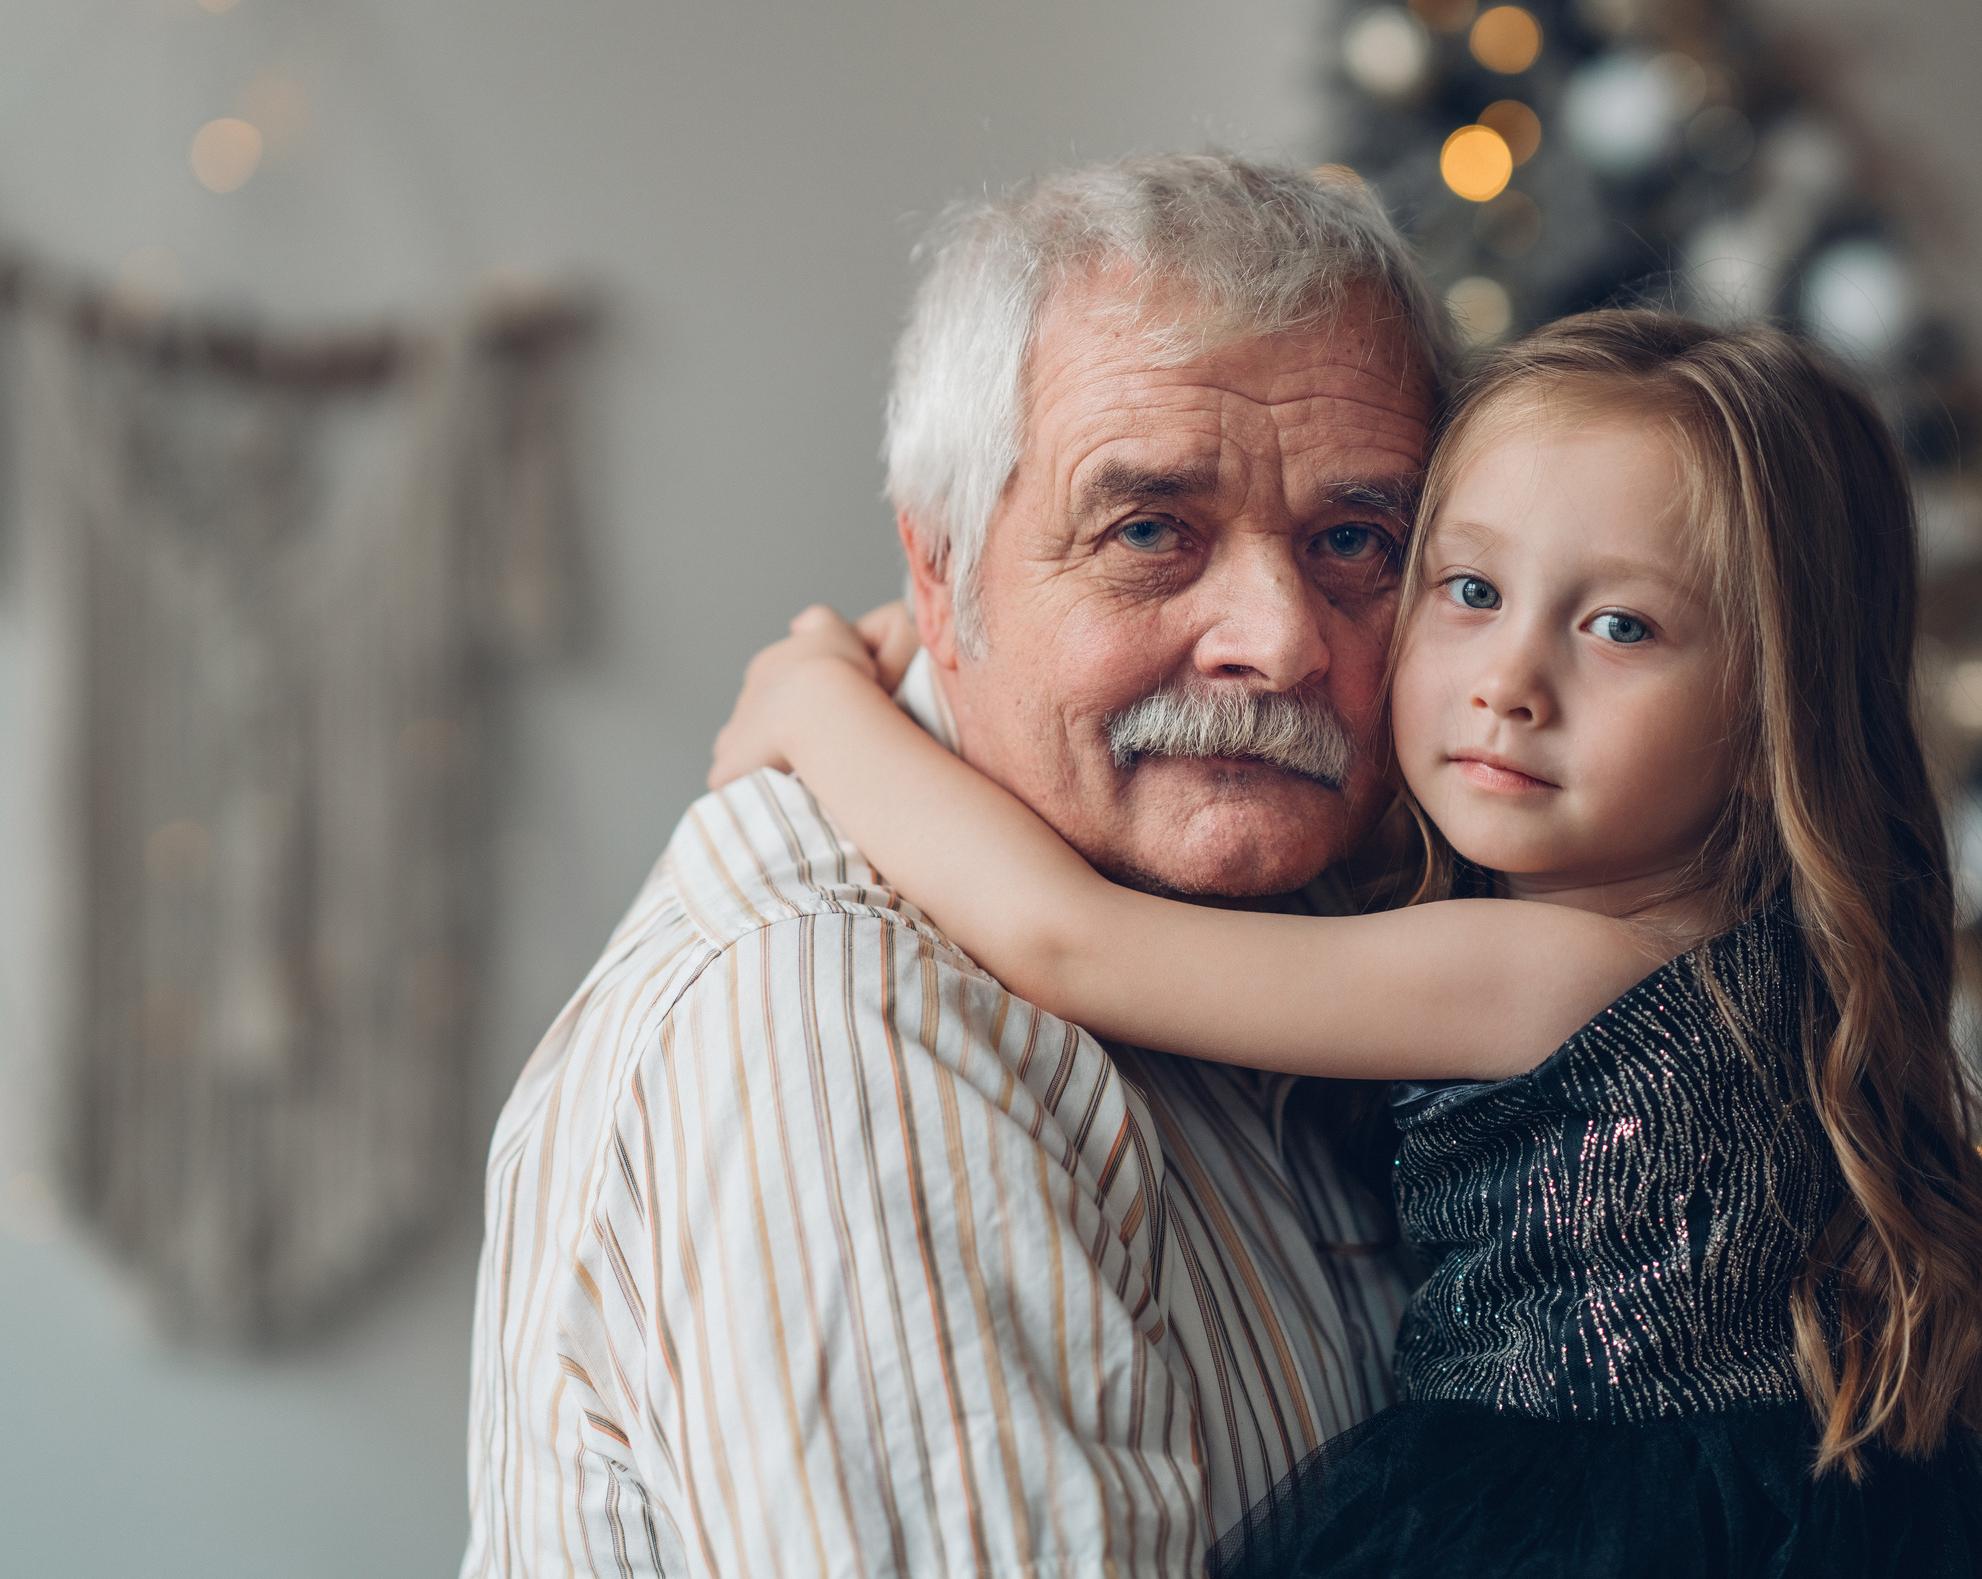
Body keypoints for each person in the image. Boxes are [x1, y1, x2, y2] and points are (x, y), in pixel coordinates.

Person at [707, 311, 1982, 1576]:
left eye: (1620, 628)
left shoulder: (1552, 971)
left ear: (1772, 711)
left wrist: (816, 705)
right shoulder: (1696, 928)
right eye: (1470, 592)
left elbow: (1070, 940)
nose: (1510, 683)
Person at [460, 154, 1458, 1578]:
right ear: (939, 577)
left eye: (1356, 539)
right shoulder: (840, 1020)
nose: (1280, 640)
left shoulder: (1335, 915)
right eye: (1149, 532)